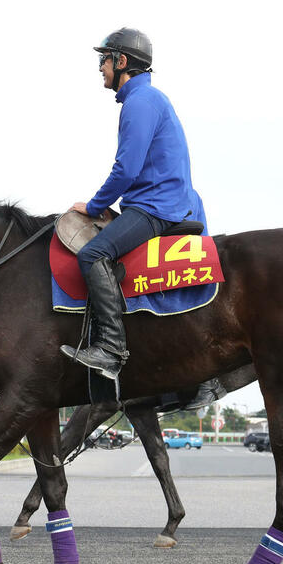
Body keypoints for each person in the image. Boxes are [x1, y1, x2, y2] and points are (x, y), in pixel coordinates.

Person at [59, 27, 225, 409]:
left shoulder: (140, 102)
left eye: (104, 59)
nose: (99, 68)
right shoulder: (147, 99)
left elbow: (127, 169)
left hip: (155, 208)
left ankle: (111, 351)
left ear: (121, 62)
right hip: (165, 202)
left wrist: (96, 205)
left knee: (92, 255)